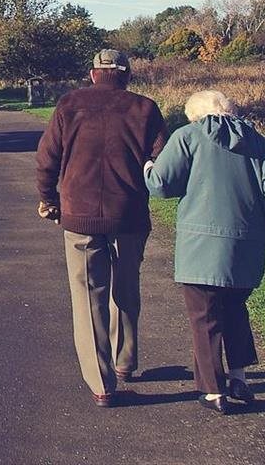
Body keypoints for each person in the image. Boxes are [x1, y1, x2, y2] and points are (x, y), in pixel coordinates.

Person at [144, 90, 265, 414]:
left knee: (205, 317)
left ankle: (214, 390)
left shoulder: (188, 137)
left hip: (199, 248)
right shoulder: (260, 143)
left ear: (196, 116)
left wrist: (147, 167)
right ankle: (239, 377)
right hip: (246, 247)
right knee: (235, 309)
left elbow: (161, 184)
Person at [35, 49, 168, 407]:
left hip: (79, 214)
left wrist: (48, 199)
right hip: (130, 214)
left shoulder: (69, 104)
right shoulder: (145, 108)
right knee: (126, 288)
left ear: (93, 73)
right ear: (126, 74)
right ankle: (125, 362)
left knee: (88, 297)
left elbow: (47, 157)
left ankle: (101, 383)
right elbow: (161, 160)